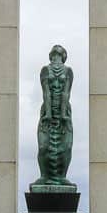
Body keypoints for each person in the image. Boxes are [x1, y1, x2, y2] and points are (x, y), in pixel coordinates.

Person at [33, 44, 76, 186]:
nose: (56, 56)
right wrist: (49, 114)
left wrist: (63, 114)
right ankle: (44, 176)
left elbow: (66, 93)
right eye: (54, 54)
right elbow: (45, 92)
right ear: (51, 56)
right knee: (43, 147)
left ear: (63, 57)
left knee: (66, 147)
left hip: (64, 112)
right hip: (47, 111)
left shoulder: (68, 71)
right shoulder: (45, 70)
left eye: (59, 54)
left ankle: (62, 177)